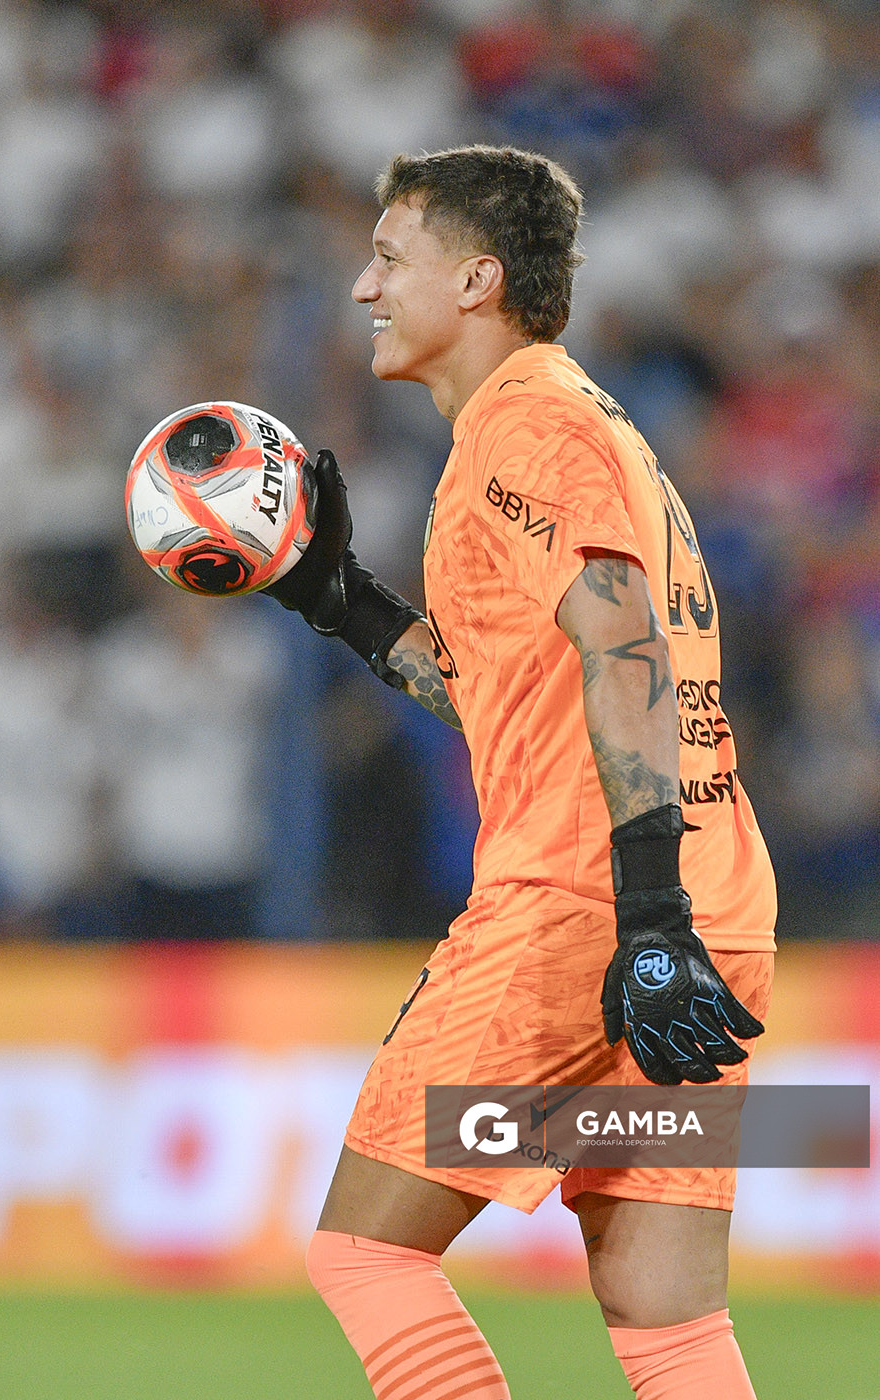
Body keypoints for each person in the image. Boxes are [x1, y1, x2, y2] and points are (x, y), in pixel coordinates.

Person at [265, 145, 777, 1400]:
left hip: (587, 909)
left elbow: (620, 639)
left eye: (390, 257)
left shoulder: (523, 427)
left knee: (366, 1252)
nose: (361, 287)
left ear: (477, 277)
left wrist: (642, 911)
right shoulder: (578, 422)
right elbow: (526, 683)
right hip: (702, 908)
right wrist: (348, 605)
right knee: (666, 1315)